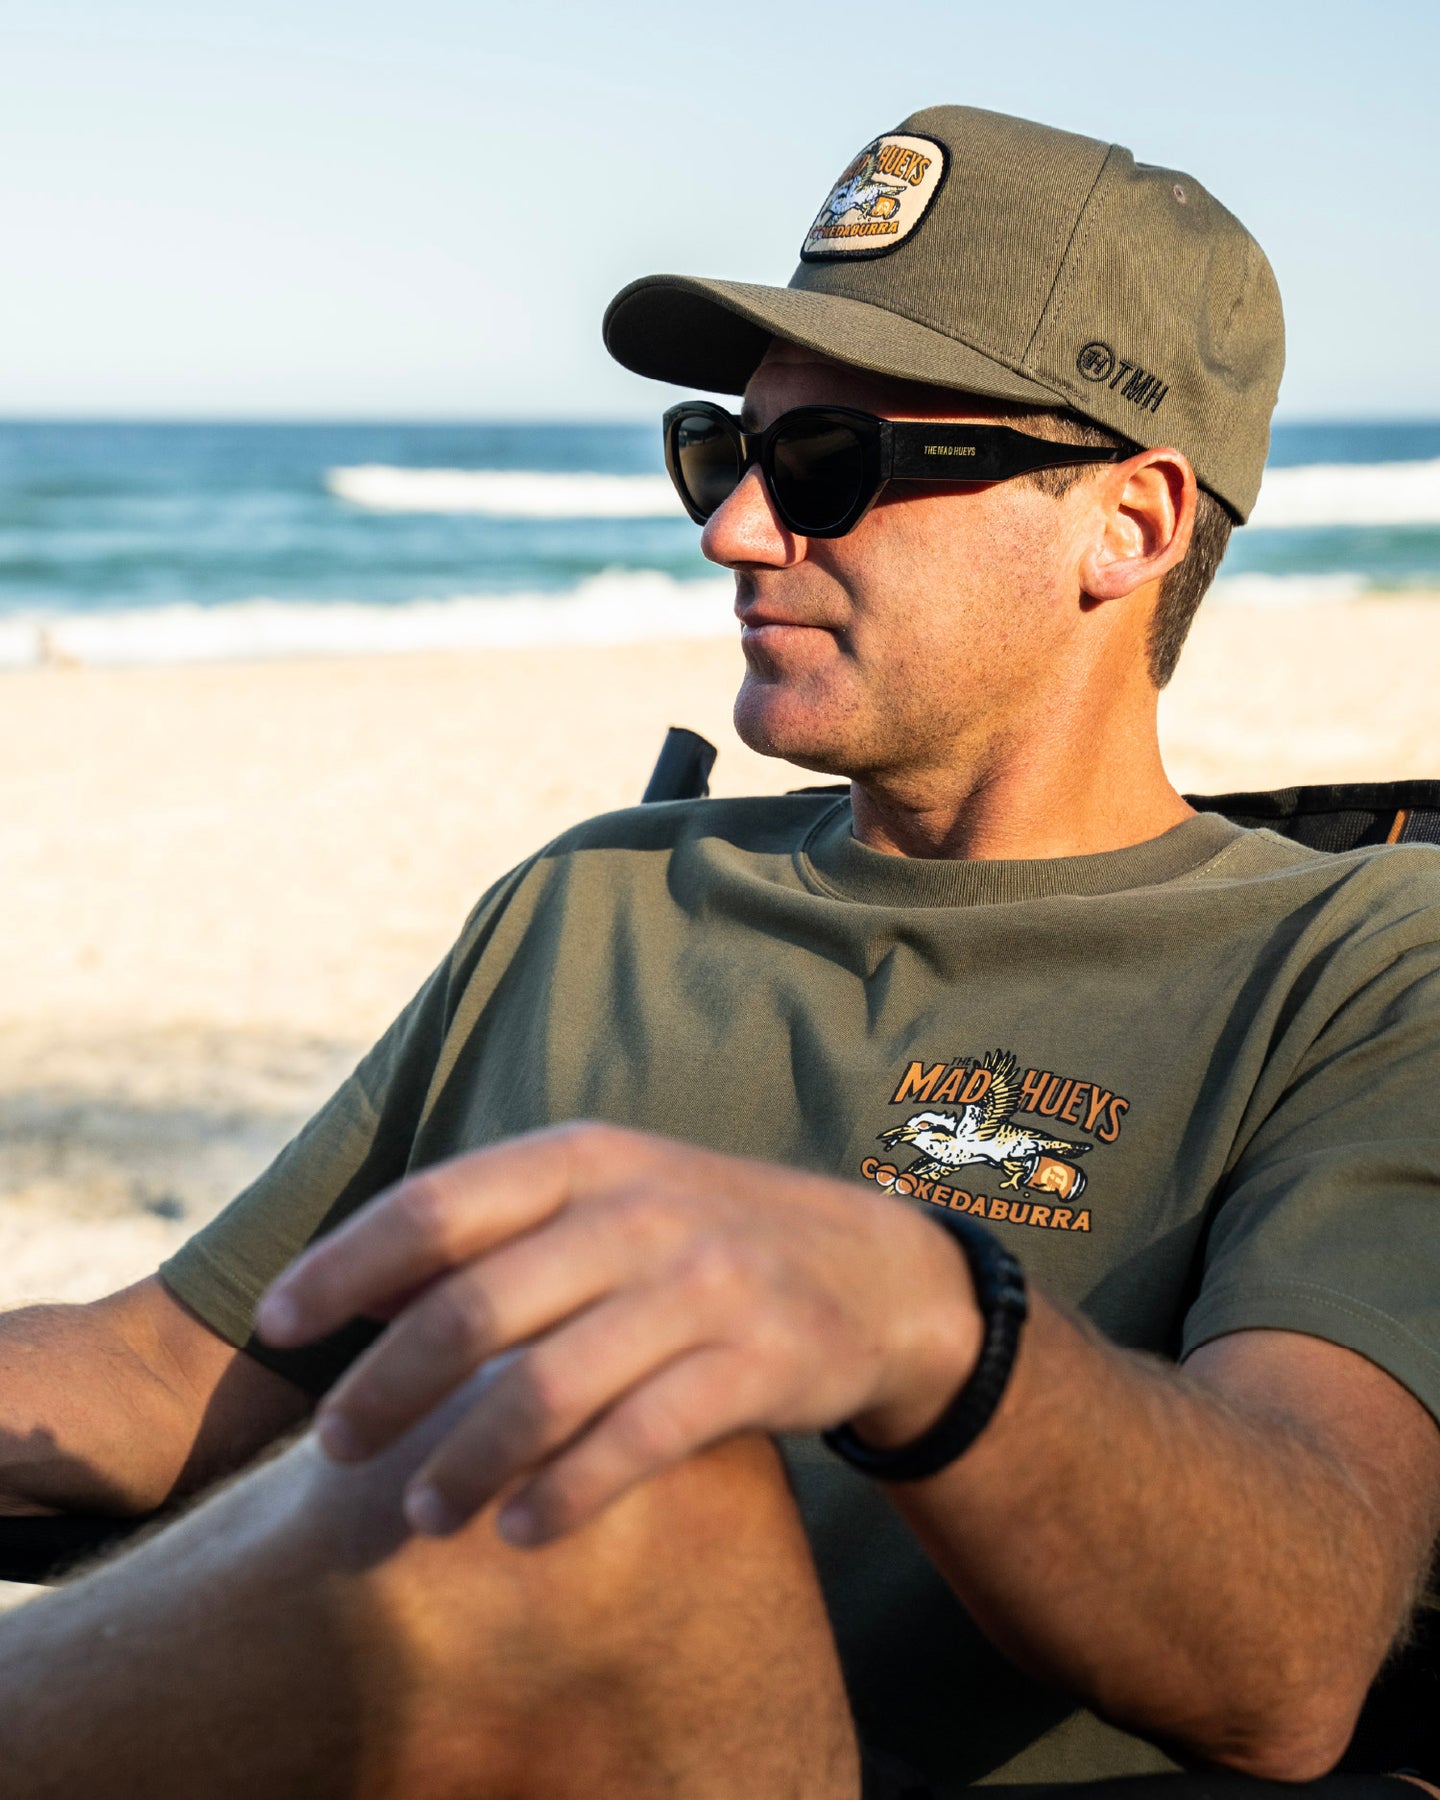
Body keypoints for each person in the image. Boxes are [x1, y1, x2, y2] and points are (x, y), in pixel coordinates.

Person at [1, 103, 1438, 1800]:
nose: (734, 529)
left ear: (1125, 521)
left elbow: (1295, 1648)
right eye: (718, 451)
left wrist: (924, 1320)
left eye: (830, 463)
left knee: (633, 1468)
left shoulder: (1359, 964)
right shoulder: (595, 899)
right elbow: (175, 1367)